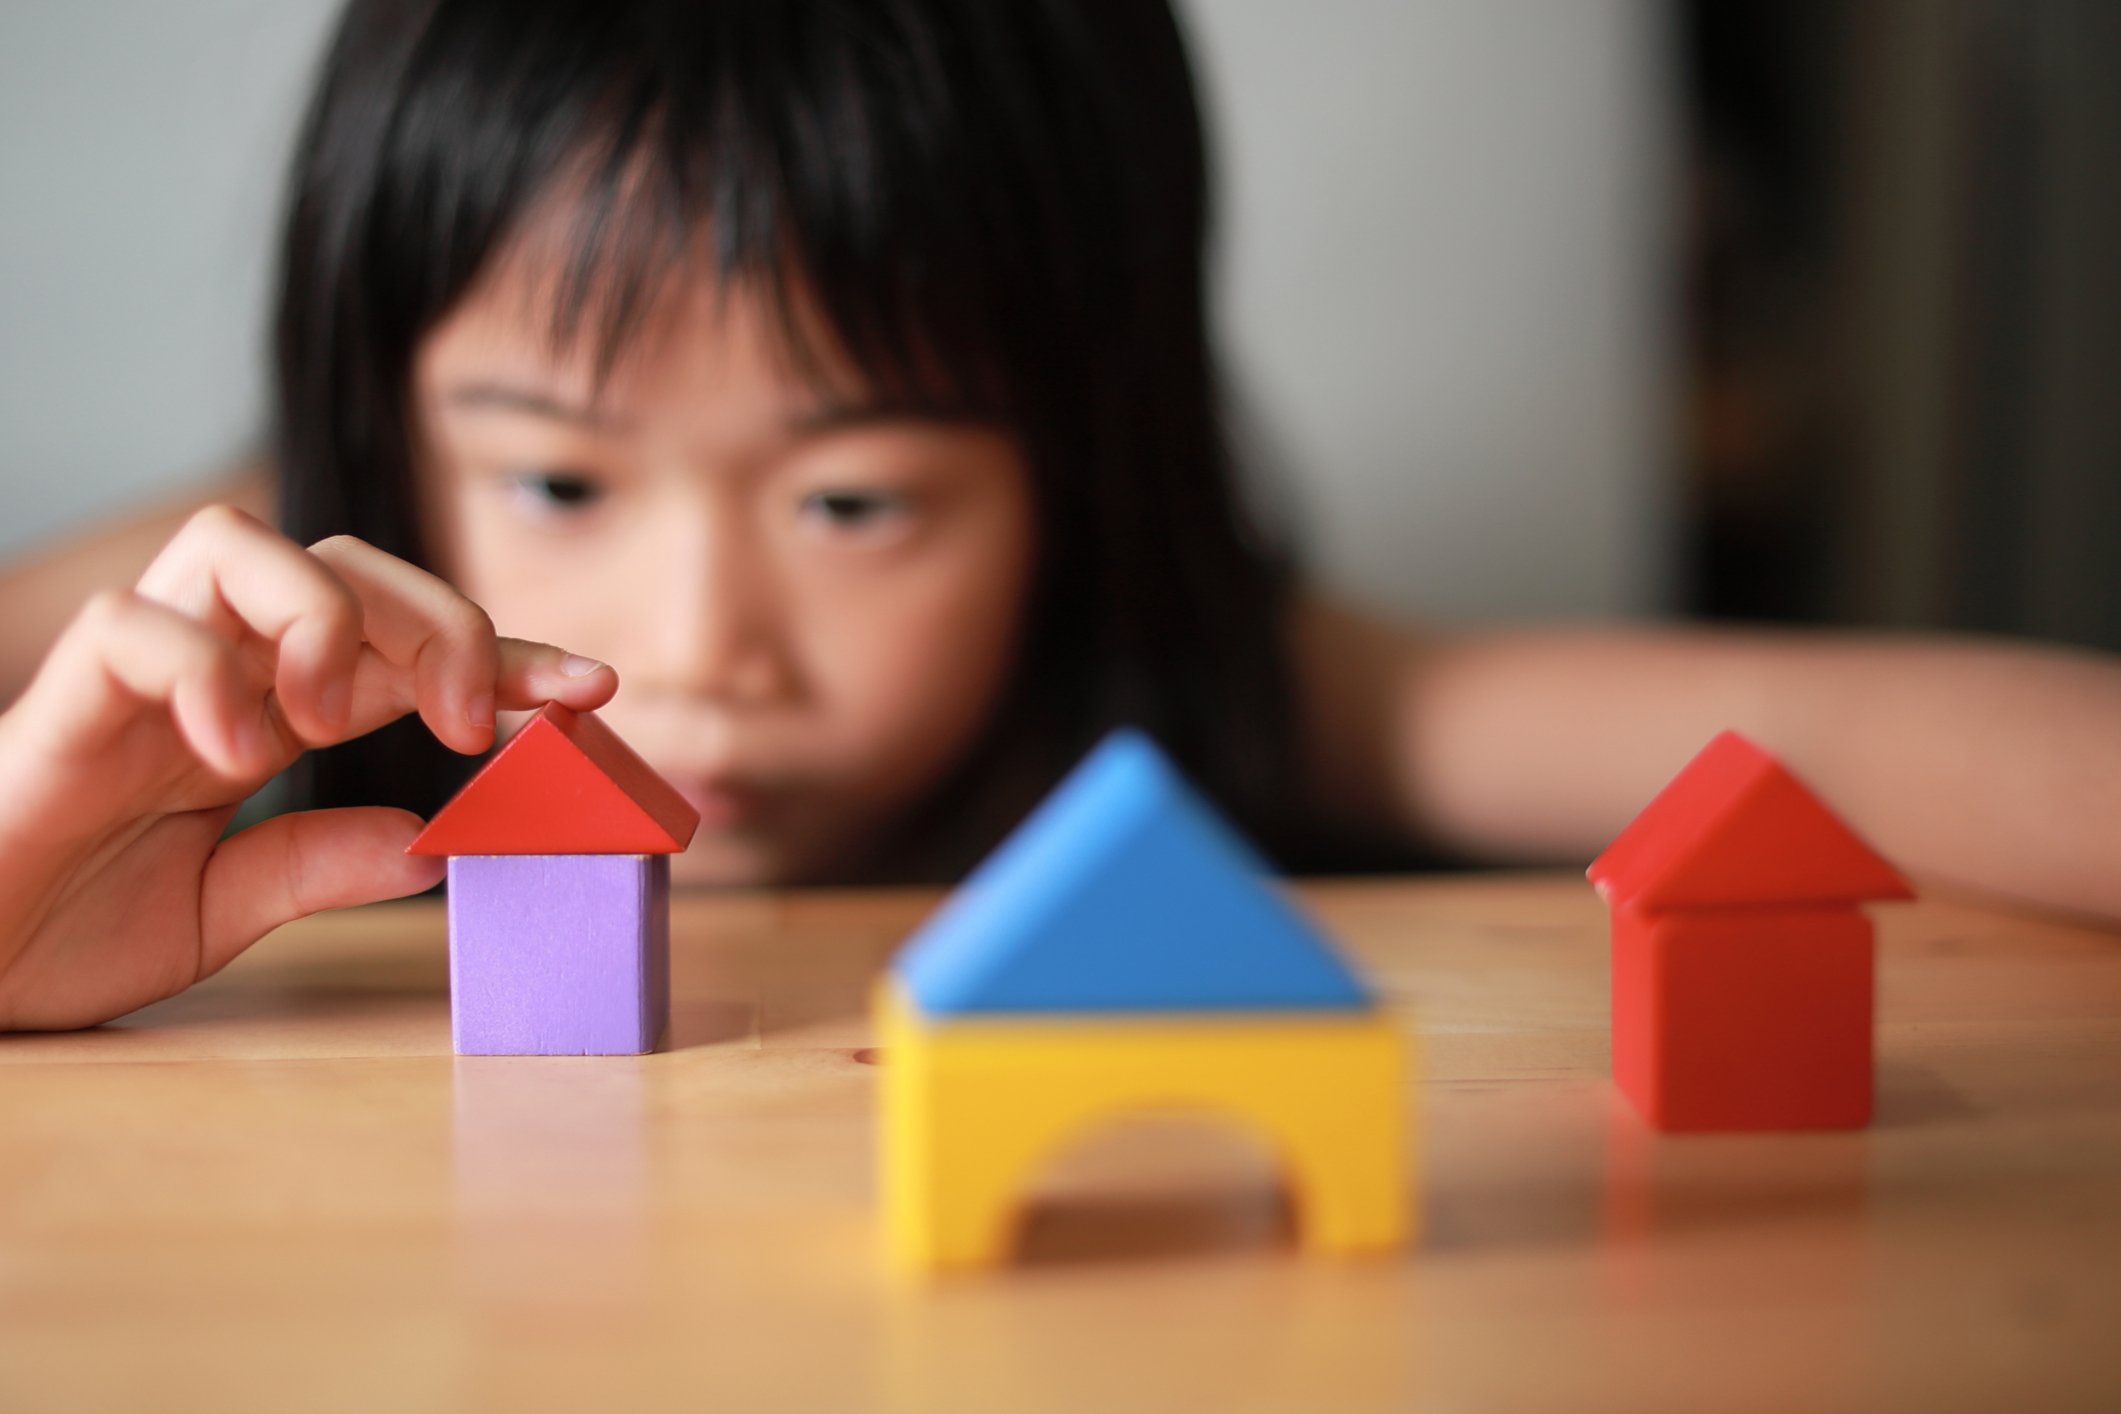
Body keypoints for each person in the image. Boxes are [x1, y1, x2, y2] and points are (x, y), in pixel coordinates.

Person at [1, 0, 2116, 1033]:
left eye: (854, 495)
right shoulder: (256, 597)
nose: (702, 633)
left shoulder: (1222, 658)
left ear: (1074, 464)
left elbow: (1954, 753)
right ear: (384, 424)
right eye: (557, 474)